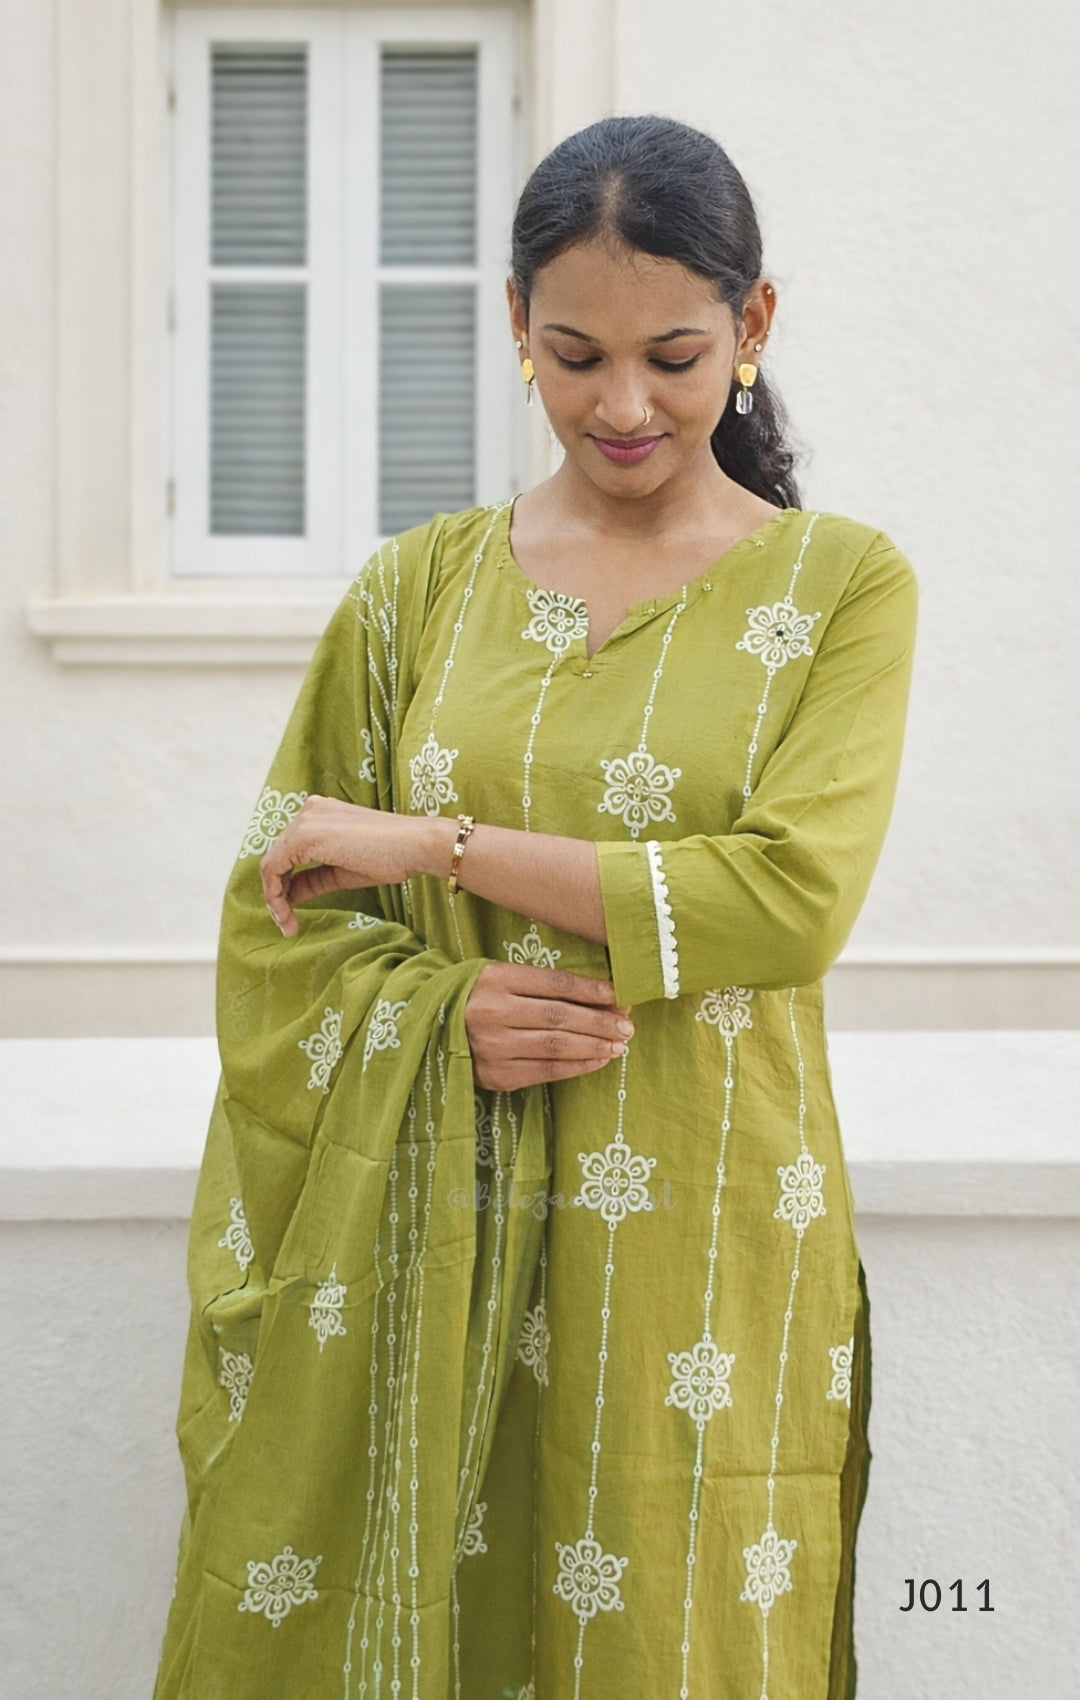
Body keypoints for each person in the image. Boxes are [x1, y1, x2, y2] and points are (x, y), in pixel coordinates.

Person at [153, 114, 916, 1700]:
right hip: (433, 1230)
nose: (622, 405)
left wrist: (439, 850)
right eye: (573, 354)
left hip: (703, 1231)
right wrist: (439, 1015)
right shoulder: (415, 590)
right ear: (515, 328)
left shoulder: (839, 588)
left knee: (668, 1631)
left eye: (675, 354)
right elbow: (283, 889)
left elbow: (784, 899)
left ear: (753, 328)